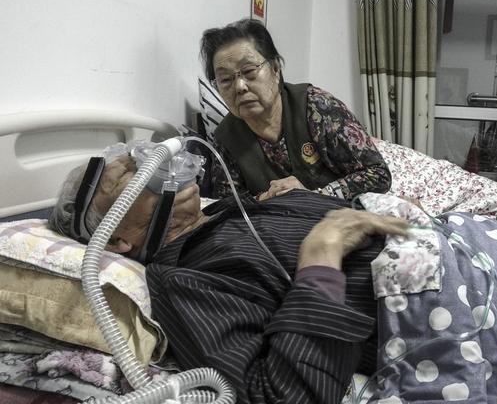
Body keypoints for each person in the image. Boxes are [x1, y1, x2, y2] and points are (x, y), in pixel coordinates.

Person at [48, 153, 408, 404]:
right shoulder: (183, 278)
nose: (155, 161)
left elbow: (360, 220)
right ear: (115, 239)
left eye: (142, 156)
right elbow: (276, 396)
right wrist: (322, 258)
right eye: (127, 176)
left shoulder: (235, 206)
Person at [199, 18, 391, 201]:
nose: (239, 86)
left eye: (249, 71)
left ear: (275, 69)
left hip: (340, 216)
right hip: (279, 221)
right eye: (225, 80)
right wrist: (265, 199)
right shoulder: (226, 139)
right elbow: (228, 205)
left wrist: (315, 195)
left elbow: (378, 174)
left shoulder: (316, 107)